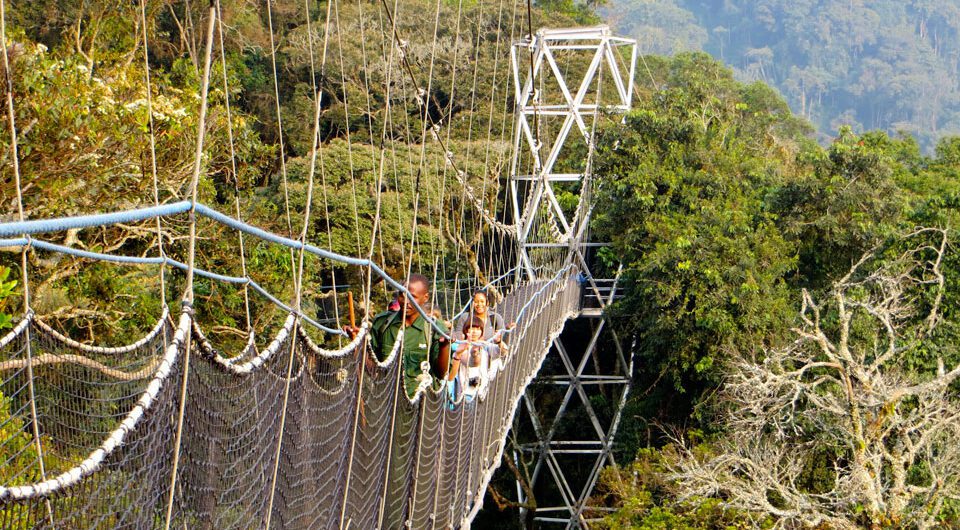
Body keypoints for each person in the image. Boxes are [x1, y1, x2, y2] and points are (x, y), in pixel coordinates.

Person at [344, 273, 450, 398]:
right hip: (387, 402)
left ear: (425, 298)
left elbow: (441, 374)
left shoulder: (435, 328)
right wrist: (358, 344)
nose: (405, 301)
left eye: (412, 297)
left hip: (423, 405)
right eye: (401, 295)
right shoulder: (382, 323)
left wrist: (444, 346)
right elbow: (372, 368)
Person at [447, 317, 499, 403]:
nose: (474, 331)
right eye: (471, 328)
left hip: (482, 394)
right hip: (466, 395)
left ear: (482, 331)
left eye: (478, 329)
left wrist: (500, 341)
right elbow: (472, 362)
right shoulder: (461, 347)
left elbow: (503, 352)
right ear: (466, 331)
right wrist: (474, 353)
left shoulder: (485, 346)